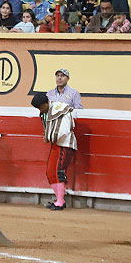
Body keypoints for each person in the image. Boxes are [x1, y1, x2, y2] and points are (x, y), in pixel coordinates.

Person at [40, 68, 82, 209]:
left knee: (58, 169)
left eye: (62, 76)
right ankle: (59, 200)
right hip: (55, 139)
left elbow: (77, 113)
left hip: (64, 138)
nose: (59, 78)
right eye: (57, 75)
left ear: (67, 78)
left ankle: (60, 201)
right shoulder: (49, 94)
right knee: (51, 170)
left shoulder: (74, 94)